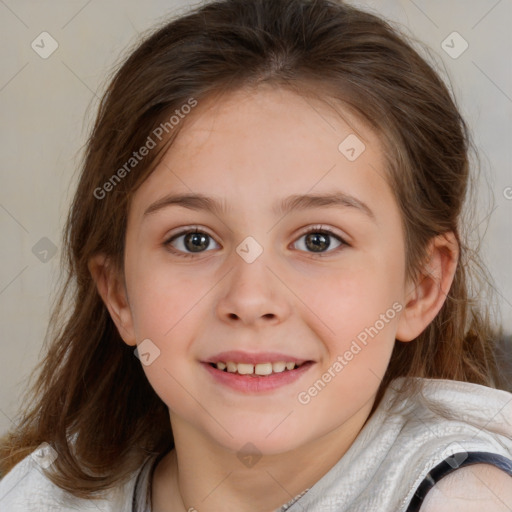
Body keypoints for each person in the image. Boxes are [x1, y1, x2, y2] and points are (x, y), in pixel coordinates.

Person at [1, 0, 511, 510]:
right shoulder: (32, 496)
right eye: (194, 240)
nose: (250, 299)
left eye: (319, 240)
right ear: (119, 295)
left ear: (420, 286)